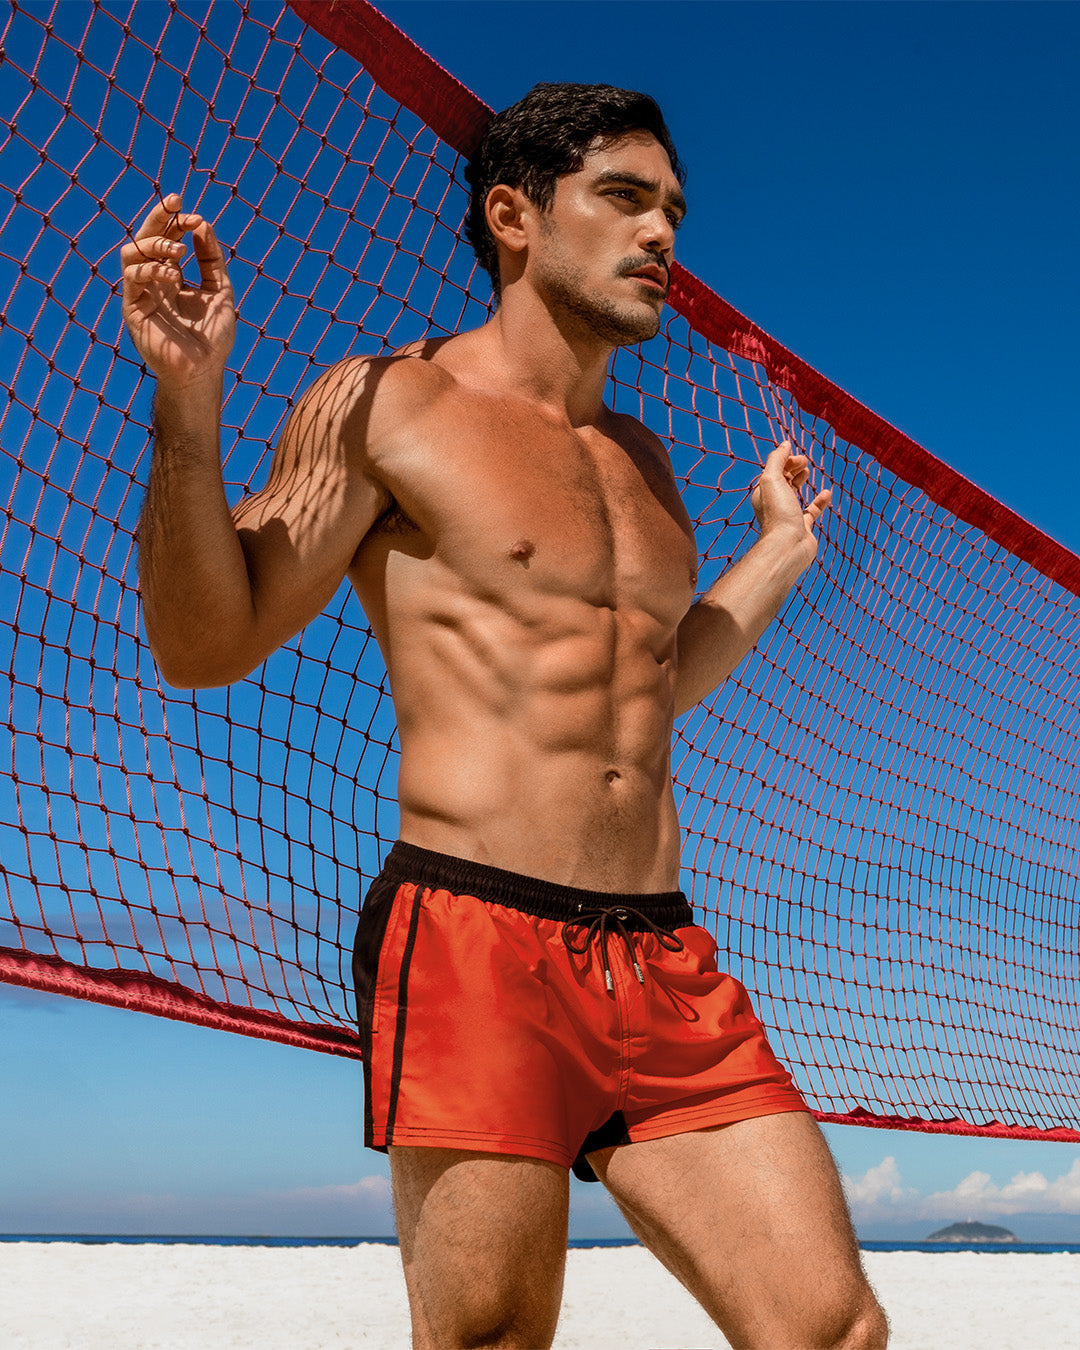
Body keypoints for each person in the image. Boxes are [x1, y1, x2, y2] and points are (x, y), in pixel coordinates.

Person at [122, 82, 887, 1350]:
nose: (664, 238)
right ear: (515, 216)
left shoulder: (642, 460)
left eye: (675, 211)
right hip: (476, 934)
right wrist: (189, 410)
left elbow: (653, 681)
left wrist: (776, 553)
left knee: (829, 1329)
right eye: (627, 200)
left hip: (662, 955)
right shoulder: (388, 402)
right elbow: (206, 644)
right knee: (489, 1338)